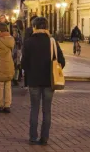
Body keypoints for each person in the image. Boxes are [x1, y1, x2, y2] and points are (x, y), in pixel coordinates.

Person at [22, 17, 65, 145]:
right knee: (47, 110)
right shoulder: (52, 42)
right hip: (49, 80)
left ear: (34, 27)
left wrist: (30, 70)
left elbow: (23, 63)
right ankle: (44, 137)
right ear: (46, 27)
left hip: (34, 80)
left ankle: (32, 136)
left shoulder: (29, 42)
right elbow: (61, 61)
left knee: (34, 108)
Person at [12, 19, 25, 86]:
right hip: (19, 50)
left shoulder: (18, 31)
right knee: (17, 64)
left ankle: (15, 78)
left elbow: (19, 41)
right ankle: (16, 78)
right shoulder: (22, 31)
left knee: (16, 64)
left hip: (15, 50)